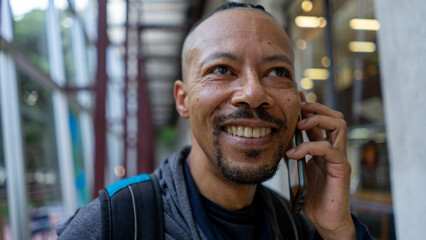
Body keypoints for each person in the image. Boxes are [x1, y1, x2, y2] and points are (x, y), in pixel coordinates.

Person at [57, 2, 372, 239]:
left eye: (277, 72)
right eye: (221, 69)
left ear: (301, 104)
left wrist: (338, 231)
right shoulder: (115, 223)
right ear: (182, 100)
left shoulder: (302, 226)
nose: (253, 93)